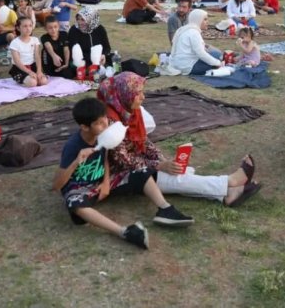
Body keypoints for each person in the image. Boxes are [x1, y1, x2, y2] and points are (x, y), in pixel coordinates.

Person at [101, 72, 260, 208]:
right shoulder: (109, 121)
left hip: (134, 165)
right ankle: (228, 183)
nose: (143, 97)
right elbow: (123, 160)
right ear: (125, 94)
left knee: (173, 172)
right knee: (168, 176)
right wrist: (159, 165)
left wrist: (160, 159)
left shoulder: (128, 111)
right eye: (138, 93)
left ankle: (226, 193)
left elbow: (143, 141)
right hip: (116, 175)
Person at [53, 98, 190, 251]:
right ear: (84, 127)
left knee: (140, 170)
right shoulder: (73, 146)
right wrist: (76, 162)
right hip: (80, 186)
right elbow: (57, 185)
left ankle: (165, 209)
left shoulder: (103, 134)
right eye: (99, 123)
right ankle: (125, 232)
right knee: (75, 205)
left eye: (105, 118)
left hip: (103, 181)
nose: (105, 124)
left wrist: (105, 182)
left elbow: (104, 157)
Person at [168, 9, 223, 75]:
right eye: (205, 19)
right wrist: (218, 63)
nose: (207, 22)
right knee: (217, 55)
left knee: (214, 53)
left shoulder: (185, 29)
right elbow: (201, 54)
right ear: (198, 20)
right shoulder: (194, 32)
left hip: (177, 64)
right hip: (187, 67)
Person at [8, 17, 48, 87]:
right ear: (18, 28)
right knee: (33, 83)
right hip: (19, 68)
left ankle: (30, 79)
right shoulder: (15, 43)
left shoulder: (35, 40)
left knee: (43, 81)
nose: (28, 28)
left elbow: (37, 57)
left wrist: (39, 71)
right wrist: (29, 72)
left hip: (32, 66)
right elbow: (17, 62)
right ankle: (22, 82)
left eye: (30, 25)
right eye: (25, 26)